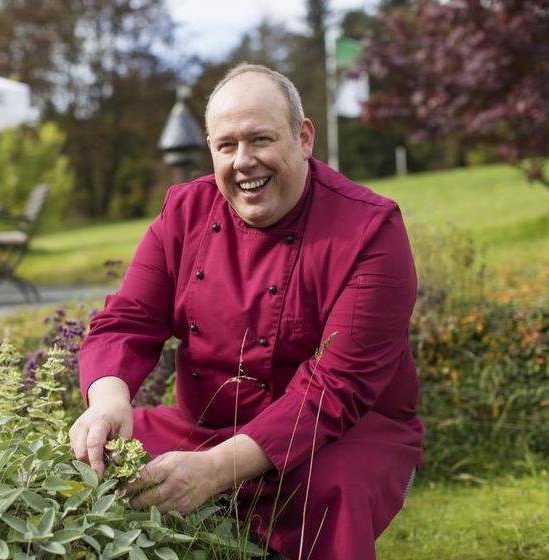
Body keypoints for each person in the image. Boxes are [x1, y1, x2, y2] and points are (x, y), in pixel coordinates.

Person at [69, 63, 423, 560]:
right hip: (202, 427)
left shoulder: (370, 230)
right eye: (227, 145)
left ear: (303, 138)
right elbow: (127, 320)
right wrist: (107, 400)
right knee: (95, 463)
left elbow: (336, 389)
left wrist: (215, 470)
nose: (244, 161)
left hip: (340, 434)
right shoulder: (184, 211)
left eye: (260, 140)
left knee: (328, 494)